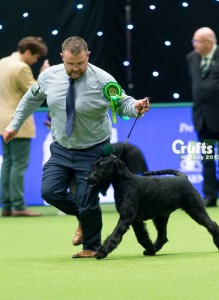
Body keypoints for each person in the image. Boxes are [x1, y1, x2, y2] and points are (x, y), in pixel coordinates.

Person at [2, 36, 150, 258]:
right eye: (70, 64)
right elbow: (30, 100)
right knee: (49, 191)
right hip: (61, 148)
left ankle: (92, 246)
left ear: (87, 56)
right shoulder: (48, 76)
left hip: (94, 149)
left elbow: (122, 103)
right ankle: (83, 217)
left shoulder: (102, 79)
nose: (75, 68)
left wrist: (135, 106)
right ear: (62, 58)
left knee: (88, 199)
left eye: (80, 63)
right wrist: (14, 125)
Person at [186, 27, 219, 207]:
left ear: (209, 42)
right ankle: (210, 195)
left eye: (197, 41)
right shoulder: (192, 58)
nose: (194, 45)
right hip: (202, 117)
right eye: (194, 41)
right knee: (207, 159)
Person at [0, 36, 49, 217]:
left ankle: (6, 206)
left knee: (8, 163)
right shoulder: (21, 68)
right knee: (18, 165)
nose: (35, 61)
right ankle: (19, 206)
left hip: (2, 120)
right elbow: (36, 93)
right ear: (28, 52)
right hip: (17, 122)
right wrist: (43, 75)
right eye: (35, 57)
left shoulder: (2, 62)